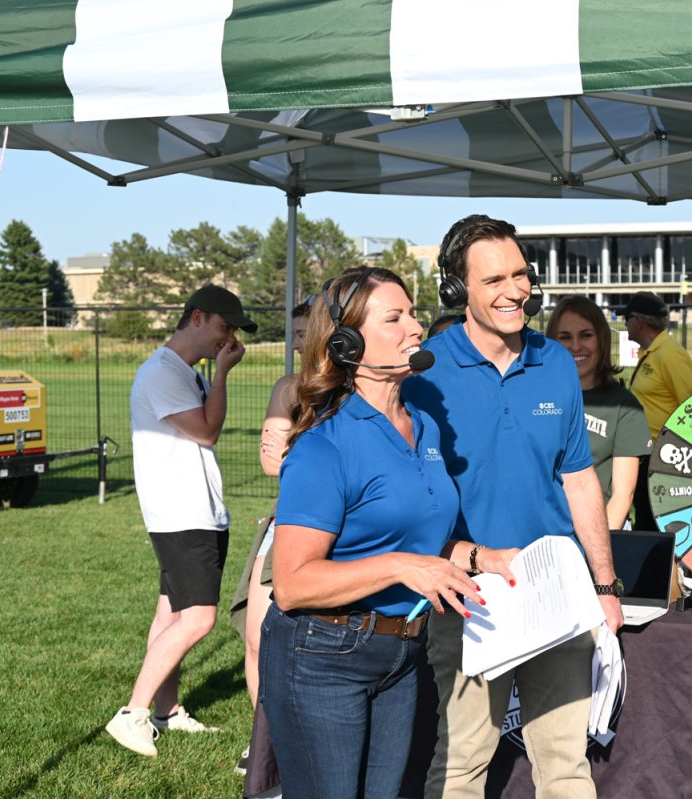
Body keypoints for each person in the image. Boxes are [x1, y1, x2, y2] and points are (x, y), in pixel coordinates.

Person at [259, 267, 516, 799]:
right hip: (322, 656)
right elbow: (292, 583)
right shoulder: (323, 446)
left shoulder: (423, 425)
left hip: (400, 655)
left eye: (414, 314)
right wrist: (402, 567)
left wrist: (483, 558)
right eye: (394, 318)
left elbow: (414, 538)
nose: (416, 329)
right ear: (348, 342)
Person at [405, 214, 623, 798]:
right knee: (461, 763)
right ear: (458, 289)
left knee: (566, 763)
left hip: (556, 588)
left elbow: (579, 478)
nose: (515, 292)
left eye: (521, 275)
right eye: (495, 279)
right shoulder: (423, 371)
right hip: (468, 592)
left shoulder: (555, 361)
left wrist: (605, 587)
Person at [106, 284, 255, 757]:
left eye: (231, 329)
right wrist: (225, 374)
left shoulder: (183, 373)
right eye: (222, 325)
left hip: (191, 511)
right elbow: (207, 431)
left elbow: (204, 427)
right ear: (195, 317)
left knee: (169, 613)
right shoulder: (164, 373)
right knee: (199, 618)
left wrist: (216, 375)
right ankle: (131, 712)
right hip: (182, 513)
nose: (227, 336)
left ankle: (165, 711)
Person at [227, 296, 312, 774]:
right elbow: (270, 461)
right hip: (284, 518)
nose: (296, 342)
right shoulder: (288, 388)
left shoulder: (351, 388)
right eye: (292, 333)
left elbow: (287, 455)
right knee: (259, 640)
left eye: (304, 332)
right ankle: (264, 742)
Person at [547, 295, 650, 529]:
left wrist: (597, 553)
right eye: (564, 337)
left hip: (599, 531)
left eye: (586, 335)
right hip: (540, 533)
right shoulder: (535, 397)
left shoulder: (624, 406)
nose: (575, 346)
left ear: (601, 340)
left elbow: (623, 496)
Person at [622, 290, 692, 531]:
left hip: (662, 457)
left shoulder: (670, 354)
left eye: (627, 319)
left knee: (652, 523)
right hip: (647, 454)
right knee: (644, 519)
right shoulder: (653, 352)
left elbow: (691, 405)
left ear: (639, 321)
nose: (624, 325)